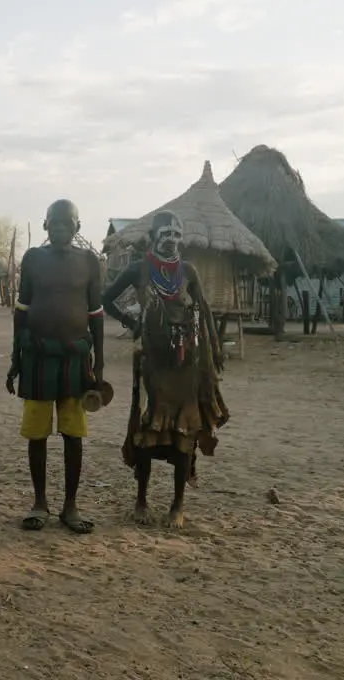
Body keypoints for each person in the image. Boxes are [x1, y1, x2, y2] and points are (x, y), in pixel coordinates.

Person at [102, 211, 228, 528]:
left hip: (186, 363)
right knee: (147, 428)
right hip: (152, 363)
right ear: (153, 236)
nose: (172, 238)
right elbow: (106, 298)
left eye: (177, 232)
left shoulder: (188, 270)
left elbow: (204, 311)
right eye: (166, 232)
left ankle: (177, 506)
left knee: (185, 429)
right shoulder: (138, 269)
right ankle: (141, 500)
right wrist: (134, 322)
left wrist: (209, 352)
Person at [5, 199, 103, 534]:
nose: (61, 227)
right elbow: (21, 310)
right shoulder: (33, 259)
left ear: (78, 225)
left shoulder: (90, 261)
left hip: (76, 359)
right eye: (55, 222)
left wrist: (99, 364)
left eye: (68, 222)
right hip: (36, 357)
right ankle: (39, 501)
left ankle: (70, 505)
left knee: (73, 434)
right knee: (37, 434)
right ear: (45, 225)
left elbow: (96, 316)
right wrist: (16, 358)